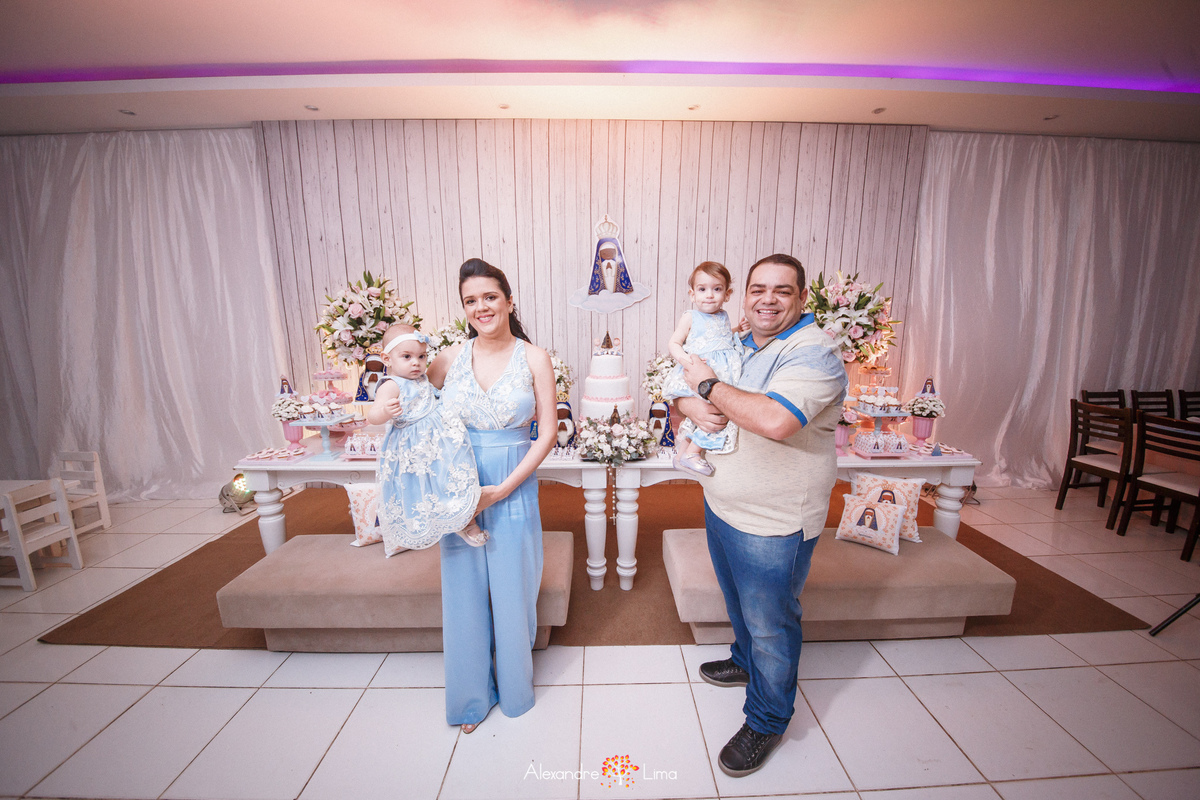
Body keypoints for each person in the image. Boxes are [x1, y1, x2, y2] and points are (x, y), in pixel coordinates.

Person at [676, 253, 847, 777]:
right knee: (739, 603)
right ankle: (743, 661)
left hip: (774, 521)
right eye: (758, 289)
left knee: (770, 622)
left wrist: (707, 388)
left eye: (782, 290)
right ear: (744, 295)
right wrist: (690, 402)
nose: (767, 299)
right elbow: (688, 388)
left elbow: (774, 419)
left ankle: (768, 719)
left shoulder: (813, 352)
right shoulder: (741, 342)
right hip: (724, 503)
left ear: (802, 298)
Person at [426, 258, 557, 734]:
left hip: (512, 482)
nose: (481, 307)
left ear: (508, 301)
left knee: (512, 587)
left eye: (489, 297)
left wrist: (502, 489)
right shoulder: (447, 359)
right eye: (470, 300)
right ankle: (470, 698)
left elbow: (547, 433)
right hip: (460, 485)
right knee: (463, 591)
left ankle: (515, 688)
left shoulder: (534, 357)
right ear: (464, 308)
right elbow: (417, 412)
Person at [365, 323, 488, 553]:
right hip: (414, 447)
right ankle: (424, 524)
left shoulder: (421, 378)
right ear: (387, 359)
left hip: (440, 443)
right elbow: (372, 415)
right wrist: (385, 411)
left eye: (421, 356)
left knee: (455, 480)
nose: (416, 363)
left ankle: (464, 520)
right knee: (423, 489)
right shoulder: (391, 385)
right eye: (407, 356)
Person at [662, 260, 745, 476]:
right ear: (692, 294)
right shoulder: (690, 317)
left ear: (727, 294)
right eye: (702, 289)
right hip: (702, 371)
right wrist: (687, 361)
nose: (709, 295)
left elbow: (721, 336)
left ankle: (681, 455)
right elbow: (674, 342)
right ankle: (693, 453)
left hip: (722, 373)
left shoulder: (723, 315)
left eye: (717, 289)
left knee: (708, 412)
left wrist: (737, 329)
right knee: (712, 413)